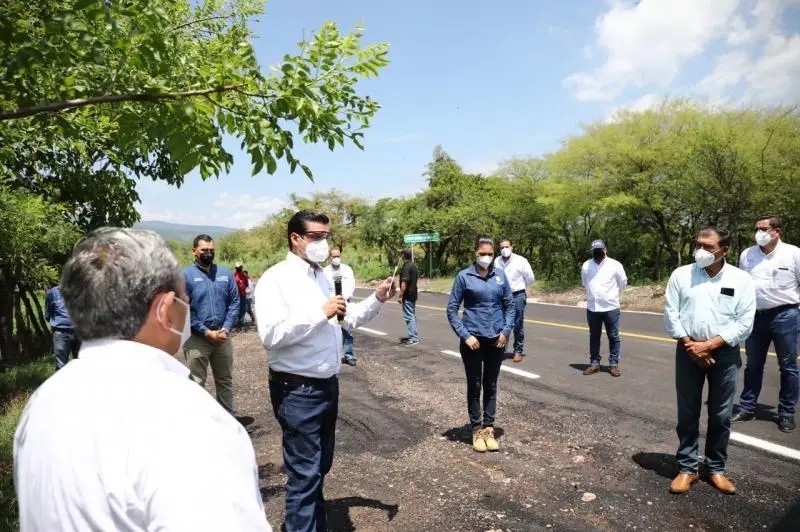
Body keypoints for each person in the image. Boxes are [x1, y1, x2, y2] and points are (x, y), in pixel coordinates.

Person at [14, 228, 271, 531]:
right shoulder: (188, 417)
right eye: (183, 298)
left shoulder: (44, 401)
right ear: (165, 310)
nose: (186, 307)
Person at [255, 210, 396, 532]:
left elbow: (347, 317)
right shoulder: (275, 279)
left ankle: (314, 524)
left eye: (326, 236)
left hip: (326, 386)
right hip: (296, 390)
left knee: (319, 467)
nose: (323, 243)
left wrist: (377, 299)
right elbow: (270, 335)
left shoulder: (323, 276)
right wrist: (320, 313)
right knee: (305, 474)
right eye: (316, 236)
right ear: (295, 238)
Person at [663, 226, 755, 495]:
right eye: (698, 245)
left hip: (724, 353)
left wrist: (710, 345)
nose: (700, 251)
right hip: (687, 349)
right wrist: (692, 346)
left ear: (724, 250)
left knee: (722, 413)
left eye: (708, 246)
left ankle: (716, 468)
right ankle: (687, 468)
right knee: (688, 411)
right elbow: (671, 313)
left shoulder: (741, 280)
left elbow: (744, 323)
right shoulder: (682, 275)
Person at [447, 237, 515, 453]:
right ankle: (477, 430)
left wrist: (505, 332)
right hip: (473, 341)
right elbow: (451, 310)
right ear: (475, 253)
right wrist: (465, 335)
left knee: (491, 385)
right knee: (475, 385)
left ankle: (489, 428)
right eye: (482, 253)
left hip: (496, 340)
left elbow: (510, 307)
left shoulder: (500, 275)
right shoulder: (463, 276)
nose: (486, 257)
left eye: (489, 253)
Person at [732, 215, 800, 433]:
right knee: (753, 365)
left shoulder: (794, 253)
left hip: (785, 315)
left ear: (776, 231)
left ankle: (786, 413)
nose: (758, 233)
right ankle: (748, 407)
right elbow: (741, 285)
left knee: (788, 366)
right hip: (755, 316)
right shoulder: (747, 254)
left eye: (763, 229)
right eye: (756, 228)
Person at [183, 234, 240, 417]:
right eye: (204, 250)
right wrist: (205, 331)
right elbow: (183, 308)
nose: (208, 253)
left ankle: (229, 421)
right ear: (194, 251)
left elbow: (235, 302)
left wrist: (226, 328)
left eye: (211, 250)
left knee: (225, 381)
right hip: (197, 338)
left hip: (223, 336)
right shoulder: (185, 276)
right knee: (196, 382)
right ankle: (199, 423)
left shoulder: (224, 273)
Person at [581, 240, 628, 377]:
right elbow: (585, 284)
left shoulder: (615, 265)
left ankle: (613, 365)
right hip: (592, 308)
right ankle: (594, 363)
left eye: (600, 249)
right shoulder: (586, 265)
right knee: (594, 336)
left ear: (605, 250)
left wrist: (612, 296)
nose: (598, 252)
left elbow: (623, 283)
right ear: (592, 251)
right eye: (595, 250)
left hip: (611, 307)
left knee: (613, 336)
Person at [494, 239, 534, 362]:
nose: (504, 249)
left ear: (512, 247)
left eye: (507, 246)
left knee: (517, 324)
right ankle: (501, 350)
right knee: (502, 323)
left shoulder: (521, 261)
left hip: (517, 295)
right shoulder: (497, 260)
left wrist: (519, 287)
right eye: (502, 247)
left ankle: (518, 351)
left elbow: (530, 278)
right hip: (501, 296)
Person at [323, 248, 357, 366]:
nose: (336, 259)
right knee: (331, 329)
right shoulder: (325, 272)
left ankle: (348, 355)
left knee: (347, 328)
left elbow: (352, 285)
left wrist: (344, 296)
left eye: (338, 256)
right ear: (330, 257)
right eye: (334, 256)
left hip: (345, 302)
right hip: (331, 304)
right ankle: (333, 356)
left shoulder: (347, 270)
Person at [44, 284, 81, 370]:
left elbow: (47, 315)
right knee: (66, 366)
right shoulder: (52, 293)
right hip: (64, 333)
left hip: (67, 333)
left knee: (64, 366)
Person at [398, 248, 420, 345]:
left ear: (403, 256)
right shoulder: (414, 266)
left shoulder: (406, 267)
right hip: (414, 293)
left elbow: (404, 283)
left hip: (408, 295)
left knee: (409, 316)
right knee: (411, 315)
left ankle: (413, 338)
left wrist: (400, 295)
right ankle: (413, 334)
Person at [234, 261, 249, 329]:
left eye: (240, 267)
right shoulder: (234, 276)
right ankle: (237, 322)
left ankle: (240, 322)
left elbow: (246, 284)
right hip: (236, 296)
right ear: (236, 268)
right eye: (238, 268)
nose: (239, 268)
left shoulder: (244, 275)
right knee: (236, 309)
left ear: (241, 268)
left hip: (243, 295)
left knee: (243, 309)